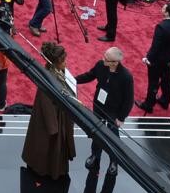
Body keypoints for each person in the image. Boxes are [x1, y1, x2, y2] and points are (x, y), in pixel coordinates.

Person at [76, 46, 134, 176]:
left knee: (113, 137)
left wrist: (121, 118)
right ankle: (95, 156)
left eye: (106, 59)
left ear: (115, 62)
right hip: (98, 106)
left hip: (114, 112)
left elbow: (129, 100)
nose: (103, 60)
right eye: (104, 56)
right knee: (96, 133)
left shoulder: (126, 77)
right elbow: (89, 75)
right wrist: (73, 80)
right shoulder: (101, 65)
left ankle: (114, 160)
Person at [22, 41, 75, 181]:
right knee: (47, 146)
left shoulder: (57, 71)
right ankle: (45, 169)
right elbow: (46, 103)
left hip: (59, 116)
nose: (66, 63)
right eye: (63, 61)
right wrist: (53, 127)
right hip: (52, 120)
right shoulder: (48, 79)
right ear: (56, 62)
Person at [138, 3, 170, 113]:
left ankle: (148, 104)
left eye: (163, 8)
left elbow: (156, 46)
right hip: (169, 58)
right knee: (166, 80)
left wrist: (148, 58)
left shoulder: (161, 27)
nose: (161, 9)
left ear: (167, 12)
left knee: (153, 81)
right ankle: (165, 100)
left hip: (158, 60)